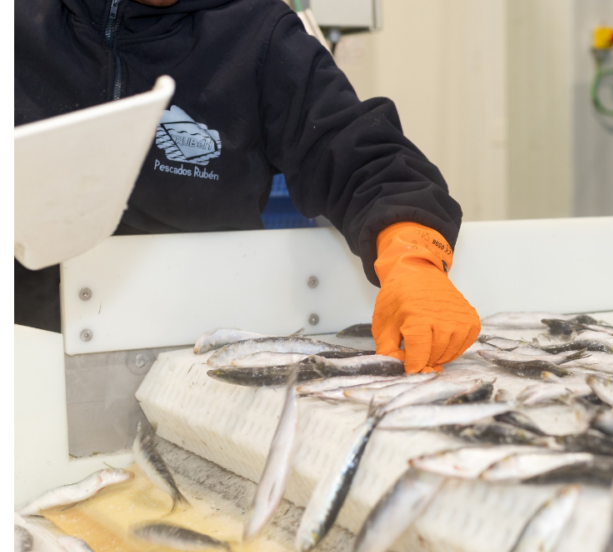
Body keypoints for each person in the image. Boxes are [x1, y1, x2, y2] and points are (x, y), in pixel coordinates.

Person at [14, 0, 481, 374]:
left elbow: (358, 152)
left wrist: (412, 258)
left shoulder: (260, 34)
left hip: (200, 351)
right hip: (28, 340)